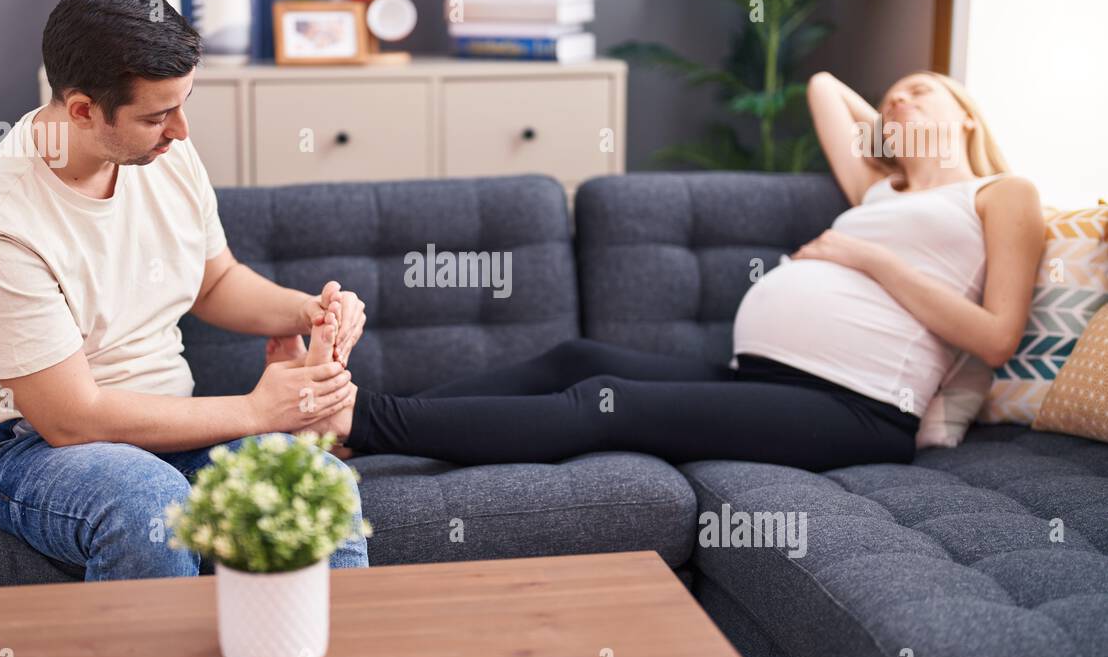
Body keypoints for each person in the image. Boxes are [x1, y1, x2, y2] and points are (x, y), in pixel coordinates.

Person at [303, 70, 1046, 472]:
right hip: (767, 379)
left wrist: (866, 255)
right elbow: (824, 86)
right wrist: (900, 136)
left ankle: (362, 419)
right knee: (576, 356)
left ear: (970, 115)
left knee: (607, 400)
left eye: (922, 90)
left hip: (858, 410)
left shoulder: (998, 194)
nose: (898, 100)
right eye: (889, 98)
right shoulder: (881, 190)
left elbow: (995, 337)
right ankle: (358, 432)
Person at [0, 0, 369, 579]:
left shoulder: (161, 152)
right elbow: (71, 418)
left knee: (318, 484)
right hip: (24, 443)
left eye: (183, 105)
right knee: (149, 506)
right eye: (159, 115)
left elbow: (214, 283)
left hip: (168, 424)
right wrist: (259, 410)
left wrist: (308, 310)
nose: (182, 132)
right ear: (83, 110)